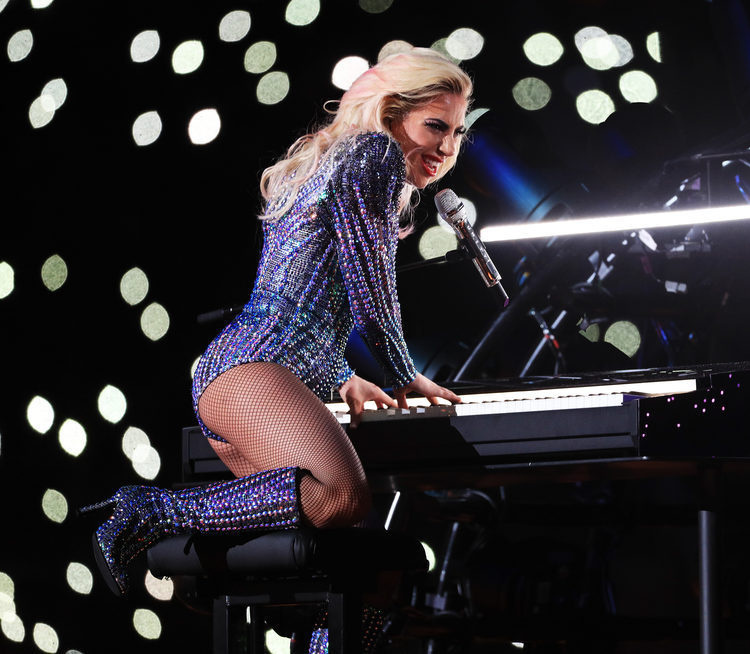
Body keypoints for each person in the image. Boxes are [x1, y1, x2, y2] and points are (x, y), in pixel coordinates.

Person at [82, 47, 471, 652]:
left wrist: (342, 376)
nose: (447, 147)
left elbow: (299, 296)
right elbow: (370, 290)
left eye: (458, 133)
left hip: (250, 377)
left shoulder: (346, 163)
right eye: (436, 126)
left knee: (373, 577)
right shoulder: (372, 153)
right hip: (249, 373)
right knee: (344, 495)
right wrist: (403, 373)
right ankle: (149, 509)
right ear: (393, 114)